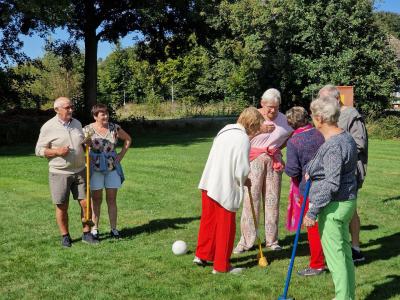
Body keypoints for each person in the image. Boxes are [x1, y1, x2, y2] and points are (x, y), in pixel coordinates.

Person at [193, 107, 265, 274]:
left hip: (209, 182)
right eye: (256, 128)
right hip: (224, 186)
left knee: (209, 221)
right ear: (252, 124)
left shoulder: (225, 130)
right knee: (226, 226)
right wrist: (244, 179)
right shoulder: (243, 139)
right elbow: (240, 169)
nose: (255, 132)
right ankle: (221, 266)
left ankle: (202, 255)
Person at [303, 96, 358, 300]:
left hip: (334, 206)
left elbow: (332, 183)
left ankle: (343, 298)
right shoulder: (344, 137)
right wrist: (313, 171)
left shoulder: (334, 145)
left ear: (319, 118)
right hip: (346, 202)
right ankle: (347, 296)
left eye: (312, 115)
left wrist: (312, 211)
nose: (312, 119)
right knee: (343, 255)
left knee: (336, 259)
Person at [234, 88, 293, 253]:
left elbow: (289, 136)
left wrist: (275, 149)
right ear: (262, 103)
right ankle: (246, 241)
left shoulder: (284, 119)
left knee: (272, 201)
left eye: (276, 107)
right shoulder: (252, 116)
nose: (273, 110)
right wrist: (260, 130)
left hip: (273, 161)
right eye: (269, 107)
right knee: (251, 200)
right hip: (253, 161)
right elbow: (240, 137)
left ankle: (272, 241)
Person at [35, 97, 98, 247]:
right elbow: (38, 150)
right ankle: (65, 236)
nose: (71, 110)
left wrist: (87, 144)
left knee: (85, 204)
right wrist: (56, 151)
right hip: (59, 173)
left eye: (72, 107)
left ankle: (86, 233)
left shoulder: (77, 123)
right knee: (62, 206)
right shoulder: (48, 127)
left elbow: (82, 144)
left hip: (80, 170)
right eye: (67, 107)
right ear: (57, 110)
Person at [318, 84, 368, 262]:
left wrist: (337, 146)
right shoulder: (327, 115)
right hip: (331, 169)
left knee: (350, 209)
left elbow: (359, 143)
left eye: (324, 100)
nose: (321, 103)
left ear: (336, 98)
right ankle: (336, 248)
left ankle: (355, 249)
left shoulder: (351, 115)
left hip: (350, 170)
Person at [284, 107, 326, 276]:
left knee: (313, 227)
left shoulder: (294, 141)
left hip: (309, 187)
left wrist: (284, 168)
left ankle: (317, 264)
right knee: (328, 225)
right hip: (328, 183)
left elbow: (293, 170)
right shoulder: (320, 133)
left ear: (291, 123)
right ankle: (334, 259)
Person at [84, 104, 131, 239]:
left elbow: (128, 139)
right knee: (96, 200)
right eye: (102, 114)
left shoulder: (114, 128)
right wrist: (85, 145)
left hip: (112, 167)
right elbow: (81, 146)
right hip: (95, 168)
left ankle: (114, 229)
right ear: (95, 116)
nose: (106, 116)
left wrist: (121, 155)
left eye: (106, 113)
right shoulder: (88, 129)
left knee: (111, 199)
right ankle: (95, 229)